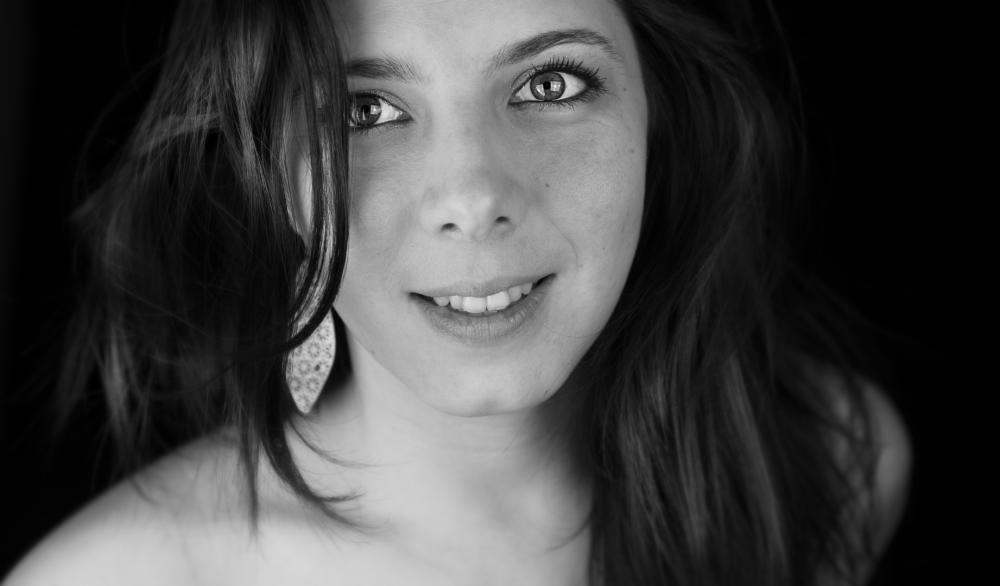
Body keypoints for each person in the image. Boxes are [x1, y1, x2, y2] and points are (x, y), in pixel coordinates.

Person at [3, 0, 911, 584]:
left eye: (551, 83)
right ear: (266, 176)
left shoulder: (831, 468)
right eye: (362, 111)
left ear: (658, 119)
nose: (472, 198)